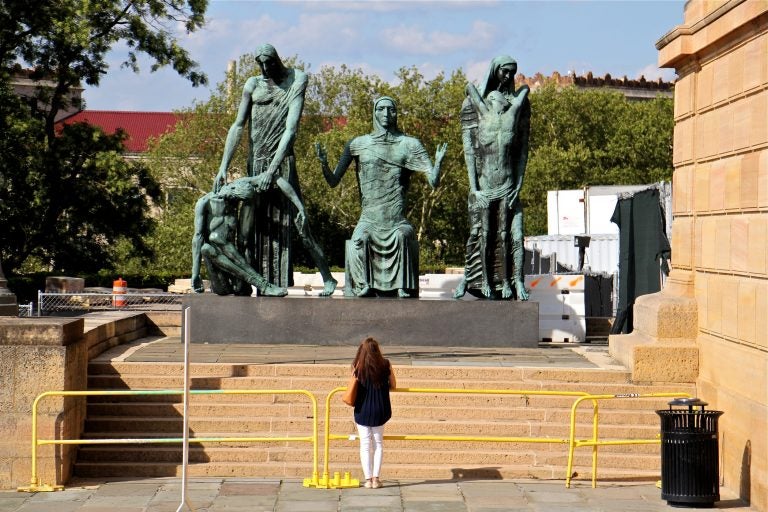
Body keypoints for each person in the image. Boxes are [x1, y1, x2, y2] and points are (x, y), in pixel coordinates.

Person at [213, 43, 337, 296]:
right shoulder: (252, 85)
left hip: (281, 164)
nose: (265, 68)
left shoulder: (297, 79)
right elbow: (238, 126)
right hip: (255, 163)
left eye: (269, 62)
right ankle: (247, 283)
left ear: (277, 60)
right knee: (248, 229)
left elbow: (291, 130)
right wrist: (223, 166)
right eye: (261, 64)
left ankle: (328, 278)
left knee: (300, 223)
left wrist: (273, 168)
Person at [315, 96, 447, 297]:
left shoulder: (409, 144)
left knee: (402, 236)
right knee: (360, 239)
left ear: (396, 114)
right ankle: (364, 285)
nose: (386, 114)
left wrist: (437, 163)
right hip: (369, 220)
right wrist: (324, 164)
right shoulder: (358, 144)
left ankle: (402, 287)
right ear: (374, 112)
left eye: (391, 110)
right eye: (381, 109)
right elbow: (333, 181)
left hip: (396, 221)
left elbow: (433, 182)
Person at [454, 55, 530, 301]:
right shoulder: (477, 106)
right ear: (495, 70)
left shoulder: (515, 108)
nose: (508, 77)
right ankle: (471, 277)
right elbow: (469, 150)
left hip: (508, 184)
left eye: (512, 72)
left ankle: (516, 280)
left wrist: (518, 183)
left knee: (513, 235)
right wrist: (474, 188)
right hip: (484, 185)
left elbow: (522, 149)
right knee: (480, 234)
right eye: (504, 71)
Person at [191, 176, 308, 297]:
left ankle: (259, 284)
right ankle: (263, 285)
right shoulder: (204, 203)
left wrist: (300, 207)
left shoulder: (241, 186)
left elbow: (275, 177)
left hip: (234, 259)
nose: (234, 203)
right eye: (234, 198)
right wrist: (195, 273)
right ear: (231, 190)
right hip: (216, 261)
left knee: (242, 290)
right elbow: (197, 237)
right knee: (211, 243)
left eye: (237, 201)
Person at [348, 337, 396, 489]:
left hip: (362, 410)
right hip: (381, 410)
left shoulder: (358, 366)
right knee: (378, 444)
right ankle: (376, 478)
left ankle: (368, 480)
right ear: (377, 349)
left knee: (365, 445)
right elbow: (393, 385)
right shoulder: (386, 364)